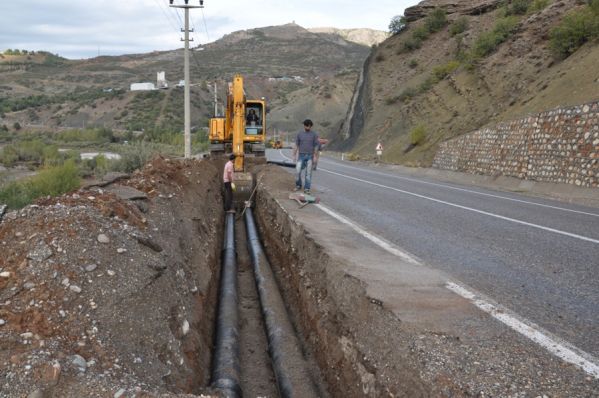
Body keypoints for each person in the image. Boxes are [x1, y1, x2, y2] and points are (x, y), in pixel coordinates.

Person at [293, 119, 319, 194]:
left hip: (310, 156)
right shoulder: (299, 134)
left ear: (311, 126)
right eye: (307, 126)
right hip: (301, 156)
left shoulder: (314, 135)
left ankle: (307, 188)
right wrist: (294, 155)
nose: (308, 128)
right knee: (297, 171)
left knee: (308, 173)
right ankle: (298, 185)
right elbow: (296, 145)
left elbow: (316, 146)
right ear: (304, 125)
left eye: (309, 126)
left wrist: (315, 156)